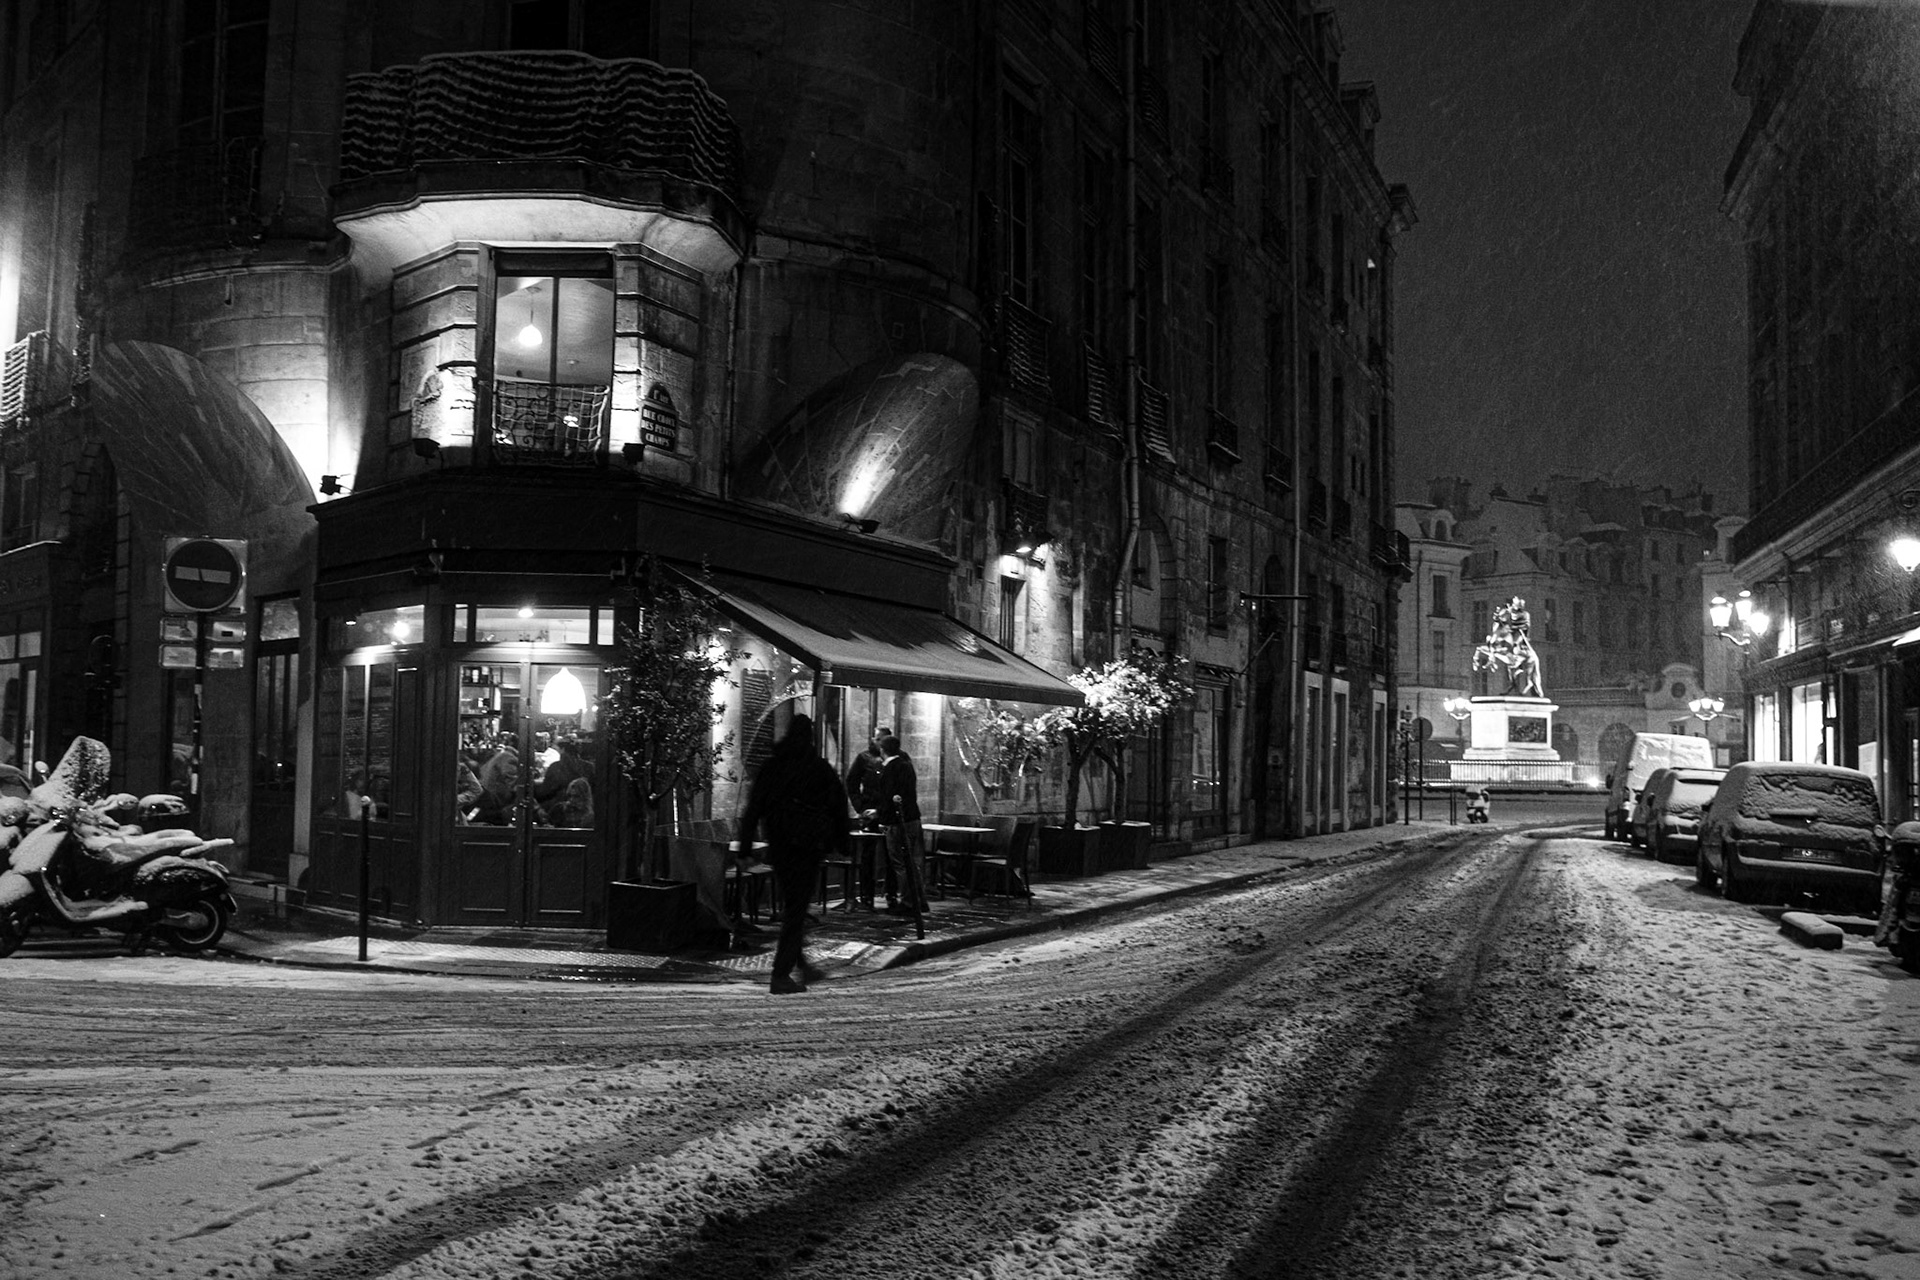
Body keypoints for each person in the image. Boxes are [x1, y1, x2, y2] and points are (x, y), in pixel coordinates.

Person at [736, 714, 852, 994]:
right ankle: (781, 973)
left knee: (793, 905)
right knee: (796, 909)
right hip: (808, 846)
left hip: (780, 845)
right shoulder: (817, 767)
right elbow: (838, 805)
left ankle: (801, 963)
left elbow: (754, 807)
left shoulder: (772, 766)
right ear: (810, 737)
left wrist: (745, 846)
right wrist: (843, 843)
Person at [872, 734, 929, 914]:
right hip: (914, 819)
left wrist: (880, 817)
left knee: (900, 864)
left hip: (897, 823)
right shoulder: (907, 766)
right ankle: (920, 901)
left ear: (882, 750)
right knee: (913, 863)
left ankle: (908, 903)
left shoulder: (888, 770)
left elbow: (889, 799)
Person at [533, 737, 595, 824]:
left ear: (563, 749)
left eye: (557, 749)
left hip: (560, 813)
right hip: (586, 810)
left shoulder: (556, 767)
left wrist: (533, 786)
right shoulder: (589, 767)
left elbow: (544, 792)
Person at [468, 748, 521, 825]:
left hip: (487, 798)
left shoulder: (499, 756)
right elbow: (512, 782)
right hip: (494, 798)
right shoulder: (509, 758)